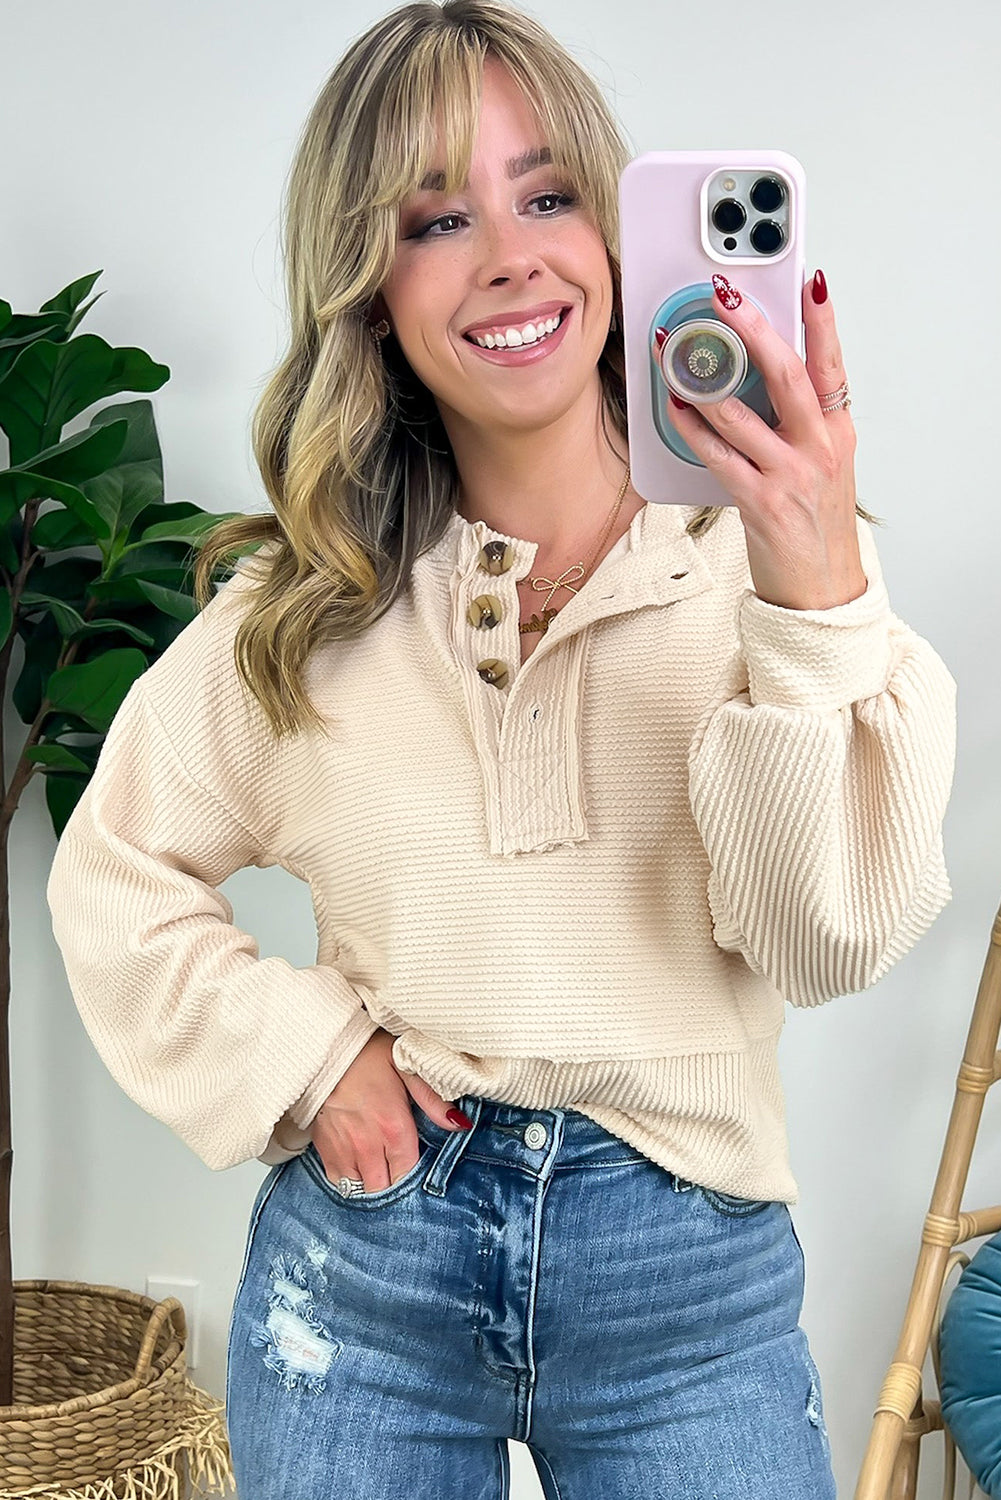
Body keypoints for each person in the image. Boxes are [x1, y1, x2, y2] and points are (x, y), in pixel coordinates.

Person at [45, 2, 957, 1496]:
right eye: (435, 221)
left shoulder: (772, 567)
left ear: (615, 234)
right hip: (366, 1277)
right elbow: (115, 873)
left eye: (547, 197)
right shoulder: (311, 602)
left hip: (690, 1296)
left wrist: (810, 598)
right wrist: (308, 1055)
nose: (510, 257)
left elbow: (824, 943)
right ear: (369, 291)